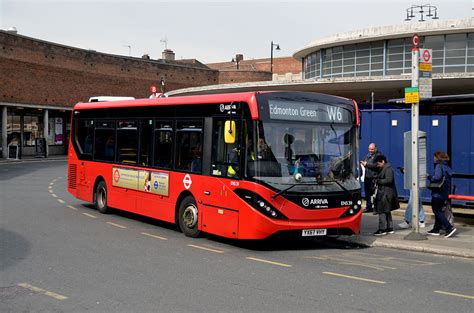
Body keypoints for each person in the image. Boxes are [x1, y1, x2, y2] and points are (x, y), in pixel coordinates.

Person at [427, 151, 456, 238]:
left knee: (436, 210)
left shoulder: (439, 166)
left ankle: (449, 227)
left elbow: (437, 177)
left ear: (438, 158)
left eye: (434, 157)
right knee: (438, 210)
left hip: (437, 193)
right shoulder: (447, 167)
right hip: (444, 193)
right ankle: (436, 229)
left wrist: (428, 176)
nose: (433, 158)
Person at [373, 154, 400, 236]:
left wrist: (378, 181)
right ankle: (389, 228)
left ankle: (382, 229)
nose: (378, 165)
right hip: (386, 192)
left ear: (383, 161)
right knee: (387, 211)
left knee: (381, 211)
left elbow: (389, 180)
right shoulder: (384, 168)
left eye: (378, 163)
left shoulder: (388, 169)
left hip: (385, 193)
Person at [360, 143, 382, 212]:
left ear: (376, 148)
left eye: (372, 149)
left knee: (374, 194)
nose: (370, 150)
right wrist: (363, 163)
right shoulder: (368, 155)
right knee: (368, 194)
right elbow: (365, 162)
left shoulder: (379, 155)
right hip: (367, 177)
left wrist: (367, 164)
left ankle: (376, 208)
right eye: (369, 149)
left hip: (374, 178)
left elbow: (377, 165)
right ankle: (368, 207)